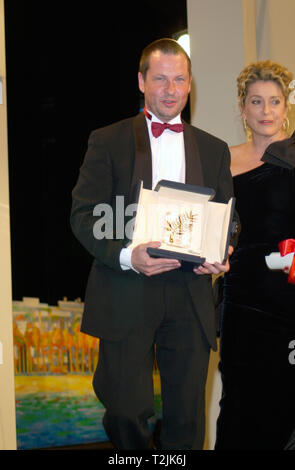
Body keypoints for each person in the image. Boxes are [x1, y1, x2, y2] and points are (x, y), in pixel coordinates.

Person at [71, 38, 235, 450]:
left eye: (179, 79)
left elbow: (230, 219)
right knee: (126, 410)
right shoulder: (107, 140)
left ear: (190, 83)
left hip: (190, 292)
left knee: (187, 419)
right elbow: (83, 215)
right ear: (141, 82)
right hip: (126, 288)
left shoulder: (214, 149)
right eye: (160, 79)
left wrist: (222, 250)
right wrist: (128, 255)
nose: (170, 89)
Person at [215, 60, 295, 450]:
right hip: (240, 295)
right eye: (256, 101)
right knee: (239, 397)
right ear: (242, 107)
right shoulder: (222, 160)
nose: (266, 111)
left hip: (289, 295)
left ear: (286, 107)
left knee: (285, 400)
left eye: (275, 102)